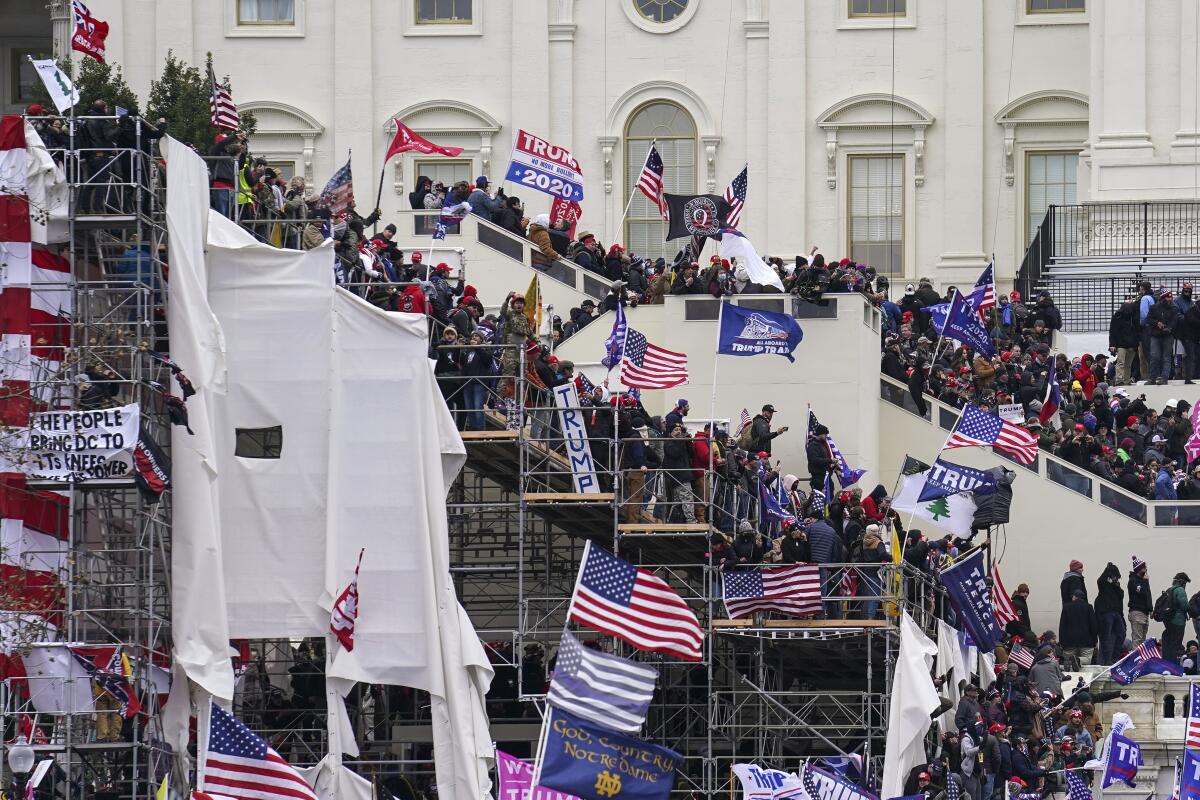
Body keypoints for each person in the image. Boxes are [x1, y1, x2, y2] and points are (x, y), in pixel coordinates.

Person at [1147, 288, 1181, 384]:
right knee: (1154, 356)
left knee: (1166, 357)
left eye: (1170, 297)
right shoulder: (1153, 307)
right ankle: (1152, 377)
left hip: (1168, 336)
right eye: (1167, 297)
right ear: (1162, 298)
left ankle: (1164, 377)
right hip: (1155, 335)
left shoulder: (1174, 308)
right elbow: (1148, 319)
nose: (1170, 299)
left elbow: (1175, 321)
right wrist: (1157, 323)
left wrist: (1169, 328)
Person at [1164, 572, 1191, 663]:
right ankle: (1174, 664)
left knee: (1169, 643)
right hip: (1178, 621)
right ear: (1182, 581)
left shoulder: (1169, 590)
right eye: (1186, 583)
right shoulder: (1180, 590)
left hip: (1169, 621)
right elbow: (1185, 606)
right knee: (1176, 644)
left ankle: (1167, 663)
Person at [1127, 556, 1152, 645]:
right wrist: (1145, 582)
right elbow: (1141, 591)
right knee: (1137, 640)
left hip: (1145, 613)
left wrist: (1150, 609)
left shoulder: (1144, 580)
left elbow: (1148, 595)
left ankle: (1141, 658)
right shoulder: (1133, 580)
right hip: (1137, 612)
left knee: (1142, 641)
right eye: (1144, 567)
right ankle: (1136, 658)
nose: (1146, 568)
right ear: (1139, 568)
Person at [806, 424, 834, 490]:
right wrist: (830, 460)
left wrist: (833, 465)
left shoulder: (822, 445)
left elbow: (824, 461)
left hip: (826, 476)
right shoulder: (813, 445)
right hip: (818, 478)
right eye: (825, 434)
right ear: (820, 434)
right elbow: (815, 460)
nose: (826, 436)